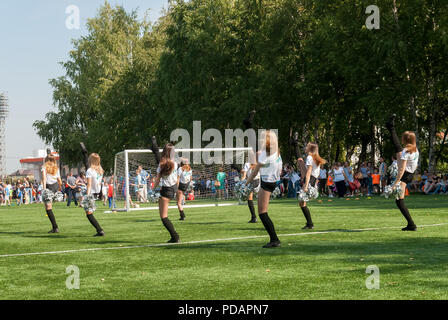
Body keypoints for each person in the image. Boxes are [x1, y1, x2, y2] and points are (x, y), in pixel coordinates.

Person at [245, 130, 283, 248]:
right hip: (272, 181)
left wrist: (246, 183)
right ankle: (274, 239)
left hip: (267, 183)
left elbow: (255, 170)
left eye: (262, 138)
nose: (260, 140)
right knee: (262, 212)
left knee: (262, 213)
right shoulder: (276, 151)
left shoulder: (264, 154)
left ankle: (274, 239)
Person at [387, 115, 419, 231]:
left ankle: (411, 224)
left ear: (405, 140)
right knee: (397, 148)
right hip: (410, 174)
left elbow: (401, 171)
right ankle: (391, 127)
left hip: (405, 175)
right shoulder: (415, 149)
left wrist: (394, 184)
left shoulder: (406, 151)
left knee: (399, 201)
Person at [154, 143, 180, 243]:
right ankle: (175, 236)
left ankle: (175, 237)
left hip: (166, 190)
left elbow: (157, 180)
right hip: (173, 188)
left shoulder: (162, 165)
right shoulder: (175, 163)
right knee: (163, 213)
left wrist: (153, 188)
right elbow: (177, 177)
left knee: (164, 217)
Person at [299, 143, 326, 230]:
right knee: (302, 202)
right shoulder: (313, 158)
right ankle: (309, 223)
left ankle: (310, 223)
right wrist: (301, 164)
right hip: (312, 180)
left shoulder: (310, 157)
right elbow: (305, 173)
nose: (305, 147)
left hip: (310, 180)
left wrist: (306, 185)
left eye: (307, 147)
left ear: (310, 149)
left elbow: (308, 172)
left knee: (302, 201)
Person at [83, 154, 106, 236]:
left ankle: (100, 230)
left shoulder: (89, 170)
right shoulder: (100, 170)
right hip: (97, 192)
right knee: (89, 212)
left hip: (91, 193)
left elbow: (88, 185)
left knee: (88, 213)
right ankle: (99, 230)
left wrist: (86, 197)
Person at [41, 154, 62, 233]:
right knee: (50, 207)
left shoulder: (44, 167)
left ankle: (55, 227)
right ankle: (55, 227)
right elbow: (59, 180)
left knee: (48, 208)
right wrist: (59, 189)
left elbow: (44, 178)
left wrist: (44, 189)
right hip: (55, 186)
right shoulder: (56, 168)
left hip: (49, 187)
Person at [241, 158, 260, 223]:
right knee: (254, 198)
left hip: (252, 181)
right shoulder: (257, 163)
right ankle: (255, 217)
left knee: (249, 199)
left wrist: (241, 183)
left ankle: (254, 217)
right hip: (258, 181)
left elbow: (244, 176)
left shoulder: (247, 164)